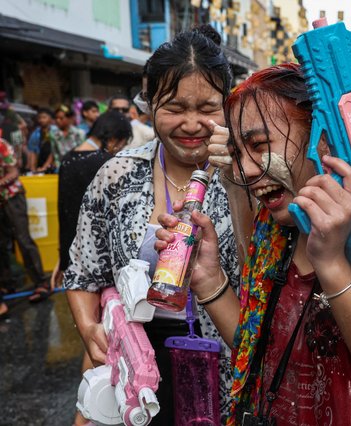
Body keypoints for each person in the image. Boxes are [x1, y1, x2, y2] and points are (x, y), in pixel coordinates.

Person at [156, 63, 351, 425]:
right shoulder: (274, 219)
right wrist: (210, 281)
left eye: (259, 145)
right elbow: (261, 349)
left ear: (321, 139)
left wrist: (331, 264)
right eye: (237, 153)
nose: (246, 169)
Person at [62, 25, 241, 424]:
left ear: (228, 104)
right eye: (175, 108)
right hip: (136, 363)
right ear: (150, 104)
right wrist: (88, 328)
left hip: (227, 360)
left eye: (208, 108)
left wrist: (240, 178)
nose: (192, 124)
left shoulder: (249, 178)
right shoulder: (118, 174)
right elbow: (83, 272)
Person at [54, 110, 132, 426]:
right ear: (112, 139)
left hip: (75, 257)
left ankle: (85, 410)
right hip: (99, 262)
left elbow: (63, 212)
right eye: (121, 143)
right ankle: (87, 412)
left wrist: (64, 258)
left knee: (93, 334)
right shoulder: (106, 165)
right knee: (100, 337)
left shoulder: (68, 159)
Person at [0, 130, 49, 305]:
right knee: (2, 245)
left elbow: (13, 172)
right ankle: (7, 284)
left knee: (23, 240)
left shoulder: (2, 145)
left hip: (12, 197)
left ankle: (41, 283)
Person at [50, 104, 85, 170]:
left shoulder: (79, 133)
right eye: (56, 118)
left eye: (61, 118)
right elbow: (55, 154)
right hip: (61, 168)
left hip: (77, 167)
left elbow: (83, 154)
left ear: (70, 118)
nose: (58, 120)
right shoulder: (54, 134)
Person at [26, 108, 57, 173]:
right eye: (39, 118)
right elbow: (33, 152)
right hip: (40, 164)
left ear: (50, 119)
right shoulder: (35, 133)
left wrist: (45, 167)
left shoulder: (56, 131)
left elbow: (54, 152)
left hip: (54, 165)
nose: (41, 120)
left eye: (44, 117)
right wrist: (33, 169)